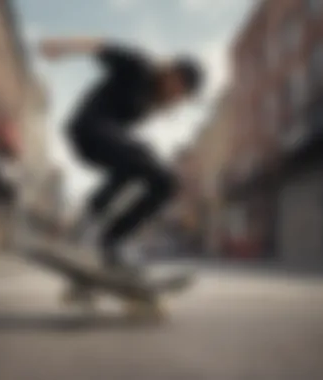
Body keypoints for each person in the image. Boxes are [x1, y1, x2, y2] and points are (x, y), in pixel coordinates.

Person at [39, 37, 205, 272]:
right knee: (141, 153)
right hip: (86, 128)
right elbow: (100, 46)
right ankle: (86, 228)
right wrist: (62, 47)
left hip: (107, 142)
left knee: (165, 182)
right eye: (178, 87)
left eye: (182, 95)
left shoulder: (152, 102)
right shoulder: (139, 67)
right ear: (172, 73)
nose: (176, 96)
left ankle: (112, 241)